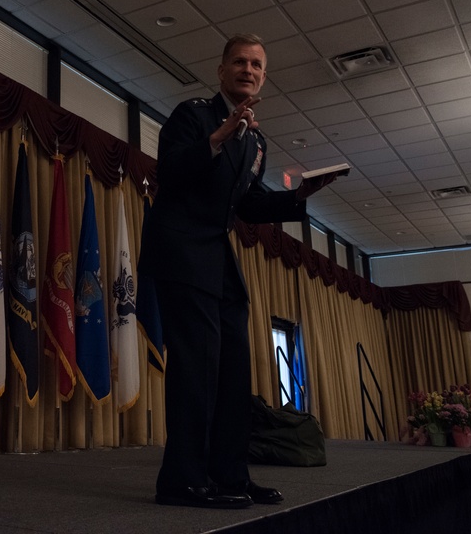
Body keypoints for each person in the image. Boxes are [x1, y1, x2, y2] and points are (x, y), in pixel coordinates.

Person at [138, 33, 338, 509]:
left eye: (257, 65)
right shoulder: (194, 115)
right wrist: (218, 137)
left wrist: (298, 197)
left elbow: (246, 204)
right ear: (222, 70)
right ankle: (182, 480)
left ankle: (230, 475)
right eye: (240, 62)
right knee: (196, 368)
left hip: (217, 257)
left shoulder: (257, 141)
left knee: (232, 370)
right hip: (180, 249)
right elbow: (171, 170)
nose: (249, 70)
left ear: (263, 77)